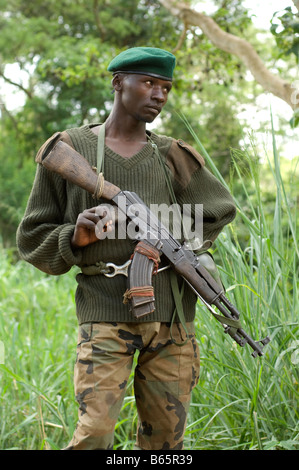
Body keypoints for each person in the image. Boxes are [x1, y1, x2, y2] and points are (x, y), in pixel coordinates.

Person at [16, 47, 236, 450]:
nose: (159, 95)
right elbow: (32, 237)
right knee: (94, 436)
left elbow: (219, 211)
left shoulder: (173, 154)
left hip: (172, 320)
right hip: (104, 314)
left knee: (165, 443)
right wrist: (75, 237)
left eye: (166, 87)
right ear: (118, 83)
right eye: (149, 83)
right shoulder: (72, 148)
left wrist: (156, 225)